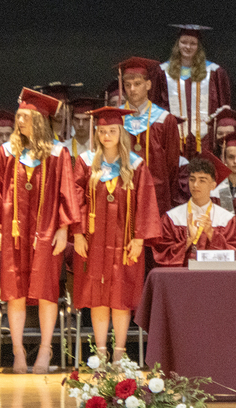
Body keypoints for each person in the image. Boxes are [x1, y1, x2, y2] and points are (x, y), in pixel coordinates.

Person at [0, 88, 79, 374]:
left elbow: (67, 193)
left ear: (39, 121)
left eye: (25, 117)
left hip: (47, 232)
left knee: (46, 292)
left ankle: (45, 349)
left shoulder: (58, 153)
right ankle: (18, 351)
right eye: (19, 116)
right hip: (14, 232)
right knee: (14, 292)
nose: (20, 121)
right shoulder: (7, 152)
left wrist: (64, 229)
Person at [72, 106, 161, 363]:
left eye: (112, 130)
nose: (106, 136)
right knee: (98, 296)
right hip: (94, 241)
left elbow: (145, 202)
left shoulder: (135, 165)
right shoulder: (86, 162)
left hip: (125, 242)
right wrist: (78, 234)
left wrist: (139, 238)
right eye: (102, 131)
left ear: (121, 132)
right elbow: (76, 200)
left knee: (121, 297)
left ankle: (119, 356)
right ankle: (101, 354)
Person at [154, 155, 236, 267]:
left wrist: (212, 235)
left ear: (213, 185)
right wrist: (188, 241)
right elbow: (161, 256)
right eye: (192, 179)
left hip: (215, 275)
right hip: (181, 275)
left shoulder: (226, 219)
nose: (195, 185)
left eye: (202, 180)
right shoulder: (173, 218)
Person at [118, 56, 183, 216]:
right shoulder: (116, 118)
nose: (132, 89)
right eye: (128, 85)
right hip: (122, 190)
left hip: (156, 194)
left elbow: (172, 165)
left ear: (148, 85)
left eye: (137, 84)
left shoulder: (164, 119)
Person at [161, 24, 231, 157]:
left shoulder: (214, 72)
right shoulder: (163, 72)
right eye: (184, 42)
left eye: (193, 43)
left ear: (199, 46)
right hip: (174, 139)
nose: (188, 47)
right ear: (177, 44)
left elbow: (224, 110)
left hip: (205, 141)